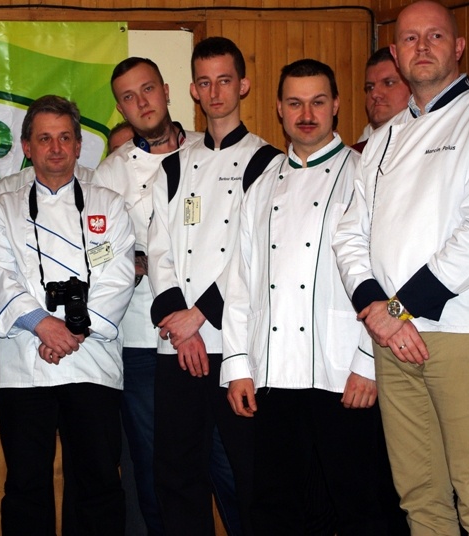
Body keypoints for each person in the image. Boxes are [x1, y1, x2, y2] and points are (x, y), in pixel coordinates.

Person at [333, 1, 469, 533]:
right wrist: (378, 310)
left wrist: (397, 310)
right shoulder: (383, 138)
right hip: (393, 338)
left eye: (435, 36)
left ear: (458, 47)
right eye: (410, 38)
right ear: (396, 53)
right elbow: (350, 235)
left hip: (462, 331)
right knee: (420, 498)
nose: (422, 47)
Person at [222, 58, 405, 535]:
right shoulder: (262, 185)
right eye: (295, 103)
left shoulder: (366, 175)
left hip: (342, 373)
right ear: (279, 109)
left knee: (362, 507)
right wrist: (238, 366)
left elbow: (389, 279)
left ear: (337, 105)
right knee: (276, 508)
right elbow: (241, 282)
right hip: (273, 375)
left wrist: (369, 363)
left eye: (318, 102)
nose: (307, 114)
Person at [94, 56, 243, 536]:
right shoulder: (109, 174)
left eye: (148, 89)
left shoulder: (210, 149)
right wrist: (133, 262)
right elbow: (100, 255)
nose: (142, 102)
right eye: (128, 97)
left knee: (229, 461)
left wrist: (197, 315)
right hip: (145, 339)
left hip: (222, 333)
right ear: (120, 108)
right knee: (161, 465)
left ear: (168, 90)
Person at [0, 95, 134, 535]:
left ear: (79, 145)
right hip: (26, 365)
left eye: (65, 138)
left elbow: (119, 277)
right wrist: (43, 325)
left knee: (99, 483)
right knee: (26, 486)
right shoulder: (3, 201)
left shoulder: (108, 202)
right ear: (27, 146)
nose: (56, 148)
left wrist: (72, 333)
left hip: (92, 362)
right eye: (44, 139)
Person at [146, 37, 282, 535]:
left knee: (251, 472)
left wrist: (199, 316)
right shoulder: (173, 166)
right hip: (179, 346)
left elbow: (255, 254)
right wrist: (180, 325)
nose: (215, 92)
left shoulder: (268, 162)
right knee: (177, 473)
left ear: (243, 85)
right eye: (205, 82)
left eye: (225, 80)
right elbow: (158, 250)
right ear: (193, 90)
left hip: (236, 346)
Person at [354, 47, 411, 148]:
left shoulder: (431, 142)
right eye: (370, 87)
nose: (374, 94)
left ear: (412, 87)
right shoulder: (357, 152)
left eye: (389, 83)